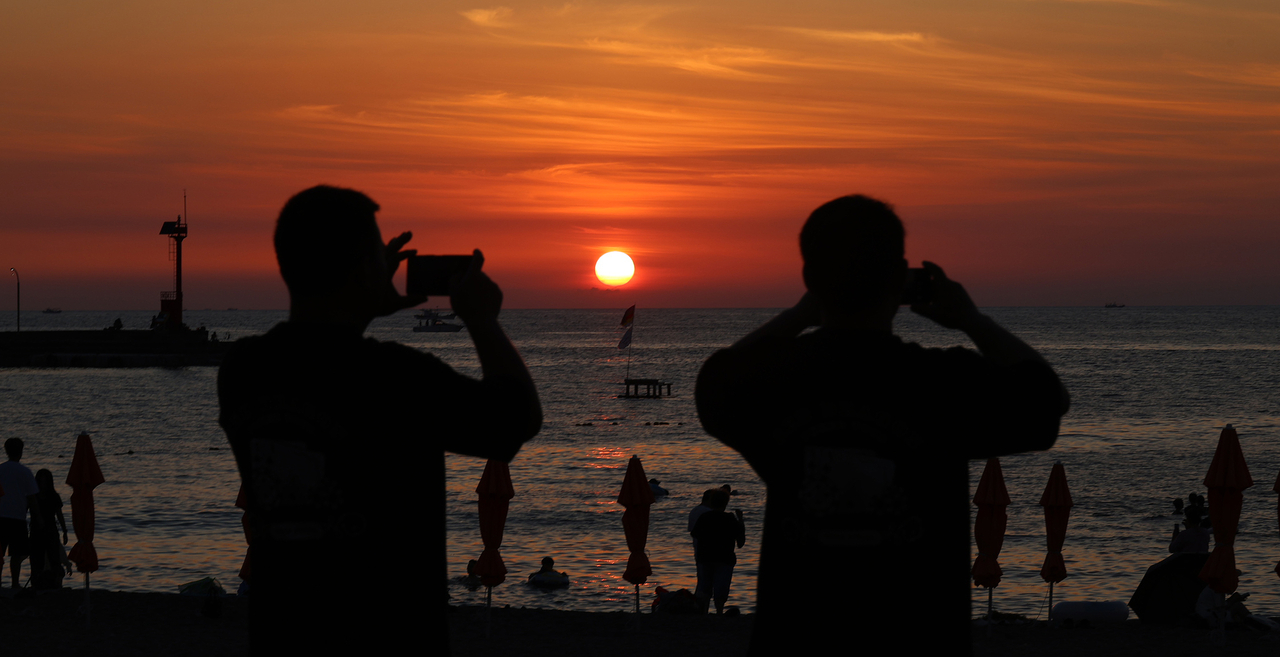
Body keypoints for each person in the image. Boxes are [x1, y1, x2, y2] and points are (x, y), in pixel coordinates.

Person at [695, 195, 1068, 655]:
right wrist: (972, 320)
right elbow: (1046, 400)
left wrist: (800, 315)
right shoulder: (943, 383)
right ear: (900, 279)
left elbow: (716, 379)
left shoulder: (777, 384)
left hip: (797, 640)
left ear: (810, 279)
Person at [218, 185, 542, 654]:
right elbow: (513, 422)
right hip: (387, 634)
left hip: (283, 634)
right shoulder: (399, 377)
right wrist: (481, 319)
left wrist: (362, 300)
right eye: (375, 252)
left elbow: (322, 363)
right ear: (363, 268)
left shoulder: (244, 370)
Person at [690, 488, 745, 614]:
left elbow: (695, 534)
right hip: (724, 558)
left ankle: (704, 613)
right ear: (726, 503)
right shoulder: (730, 519)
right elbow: (740, 543)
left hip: (705, 557)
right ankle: (719, 612)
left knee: (704, 588)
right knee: (721, 587)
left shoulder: (704, 517)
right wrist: (741, 521)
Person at [0, 438, 41, 590]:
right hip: (17, 517)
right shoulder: (25, 472)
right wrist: (38, 518)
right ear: (21, 451)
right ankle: (15, 583)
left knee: (1, 553)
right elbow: (32, 498)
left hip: (1, 517)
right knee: (17, 555)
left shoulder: (1, 470)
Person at [28, 468, 70, 589]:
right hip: (36, 530)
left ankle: (55, 583)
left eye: (45, 482)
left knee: (54, 558)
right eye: (41, 481)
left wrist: (65, 531)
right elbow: (24, 510)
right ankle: (36, 582)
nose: (43, 484)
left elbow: (59, 514)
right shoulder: (32, 496)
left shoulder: (54, 496)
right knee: (36, 559)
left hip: (51, 530)